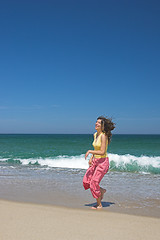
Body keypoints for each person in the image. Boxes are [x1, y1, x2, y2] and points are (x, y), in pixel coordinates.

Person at [83, 116, 115, 209]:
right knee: (87, 180)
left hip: (103, 162)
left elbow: (102, 152)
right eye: (96, 122)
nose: (96, 124)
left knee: (94, 182)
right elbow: (96, 148)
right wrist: (91, 157)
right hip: (95, 161)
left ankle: (99, 204)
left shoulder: (103, 136)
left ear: (103, 126)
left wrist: (90, 152)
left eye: (99, 123)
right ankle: (101, 191)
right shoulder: (95, 134)